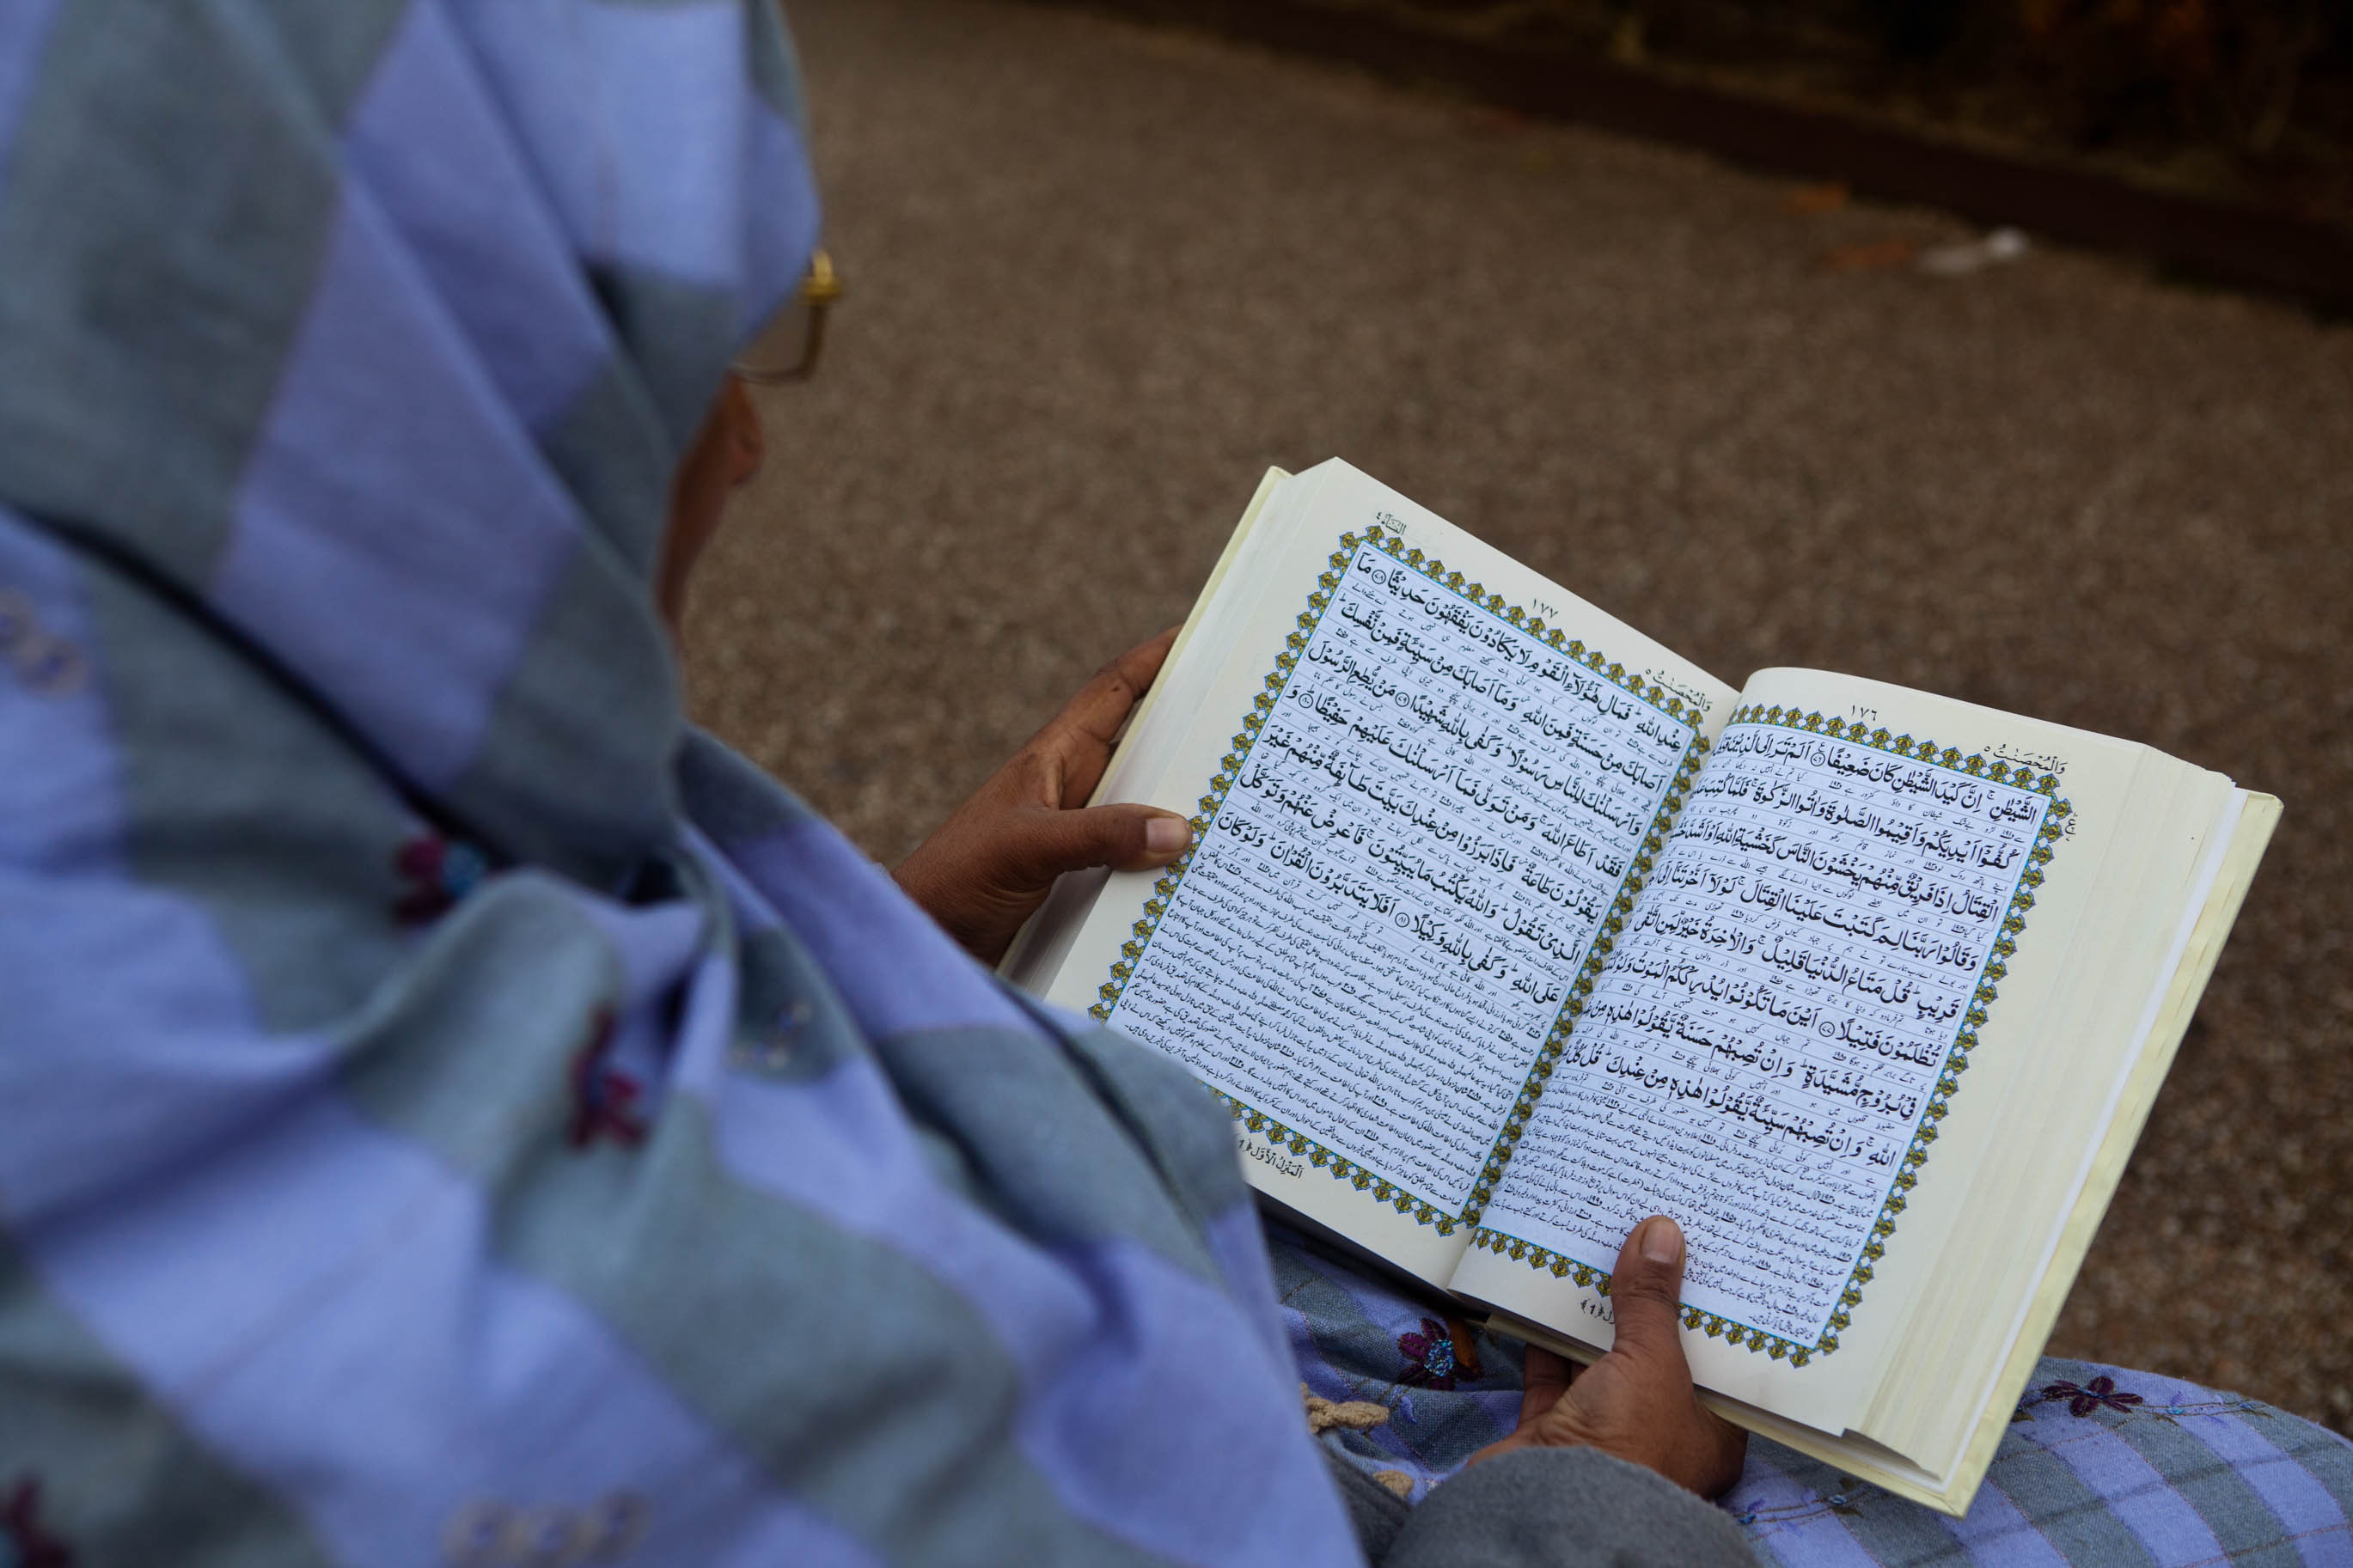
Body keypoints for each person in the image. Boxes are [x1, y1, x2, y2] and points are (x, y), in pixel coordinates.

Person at [0, 4, 2344, 1566]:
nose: (737, 430)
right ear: (427, 424)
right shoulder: (739, 1382)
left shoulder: (138, 818)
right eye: (709, 335)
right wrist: (1597, 1512)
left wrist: (901, 914)